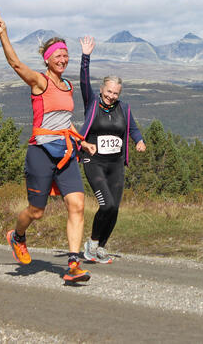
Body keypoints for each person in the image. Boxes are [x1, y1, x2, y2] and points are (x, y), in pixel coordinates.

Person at [0, 7, 97, 283]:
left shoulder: (68, 87)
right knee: (37, 211)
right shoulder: (40, 82)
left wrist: (83, 142)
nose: (63, 59)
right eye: (58, 55)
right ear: (48, 60)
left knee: (78, 205)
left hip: (67, 153)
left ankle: (72, 265)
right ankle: (18, 236)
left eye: (66, 55)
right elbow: (15, 64)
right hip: (41, 152)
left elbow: (66, 122)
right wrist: (4, 34)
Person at [78, 36, 146, 263]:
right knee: (105, 204)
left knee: (114, 208)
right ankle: (92, 243)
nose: (111, 96)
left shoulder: (124, 109)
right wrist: (85, 57)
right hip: (94, 161)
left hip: (116, 164)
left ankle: (101, 247)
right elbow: (83, 82)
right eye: (108, 92)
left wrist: (139, 140)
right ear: (102, 89)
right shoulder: (91, 102)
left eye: (115, 93)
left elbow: (133, 128)